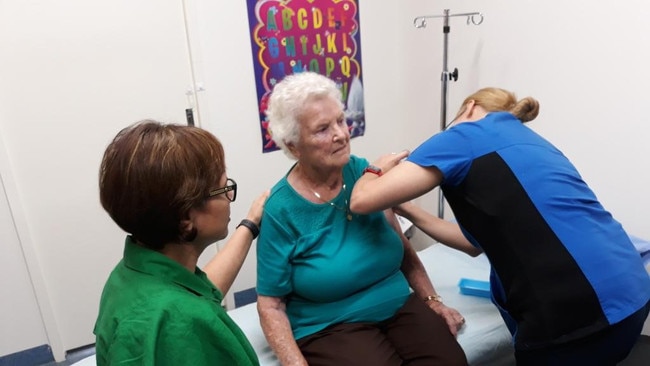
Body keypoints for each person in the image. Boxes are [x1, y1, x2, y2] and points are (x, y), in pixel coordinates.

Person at [350, 87, 650, 365]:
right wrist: (408, 209)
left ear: (469, 107)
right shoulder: (530, 140)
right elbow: (472, 244)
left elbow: (361, 201)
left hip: (575, 318)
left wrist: (373, 169)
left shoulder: (463, 135)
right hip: (633, 293)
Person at [255, 71, 468, 366]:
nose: (341, 134)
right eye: (322, 129)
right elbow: (270, 303)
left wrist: (432, 300)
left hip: (397, 303)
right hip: (330, 323)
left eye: (341, 120)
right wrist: (295, 363)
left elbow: (402, 247)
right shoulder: (281, 209)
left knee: (451, 362)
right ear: (293, 146)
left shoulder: (364, 173)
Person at [94, 120, 268, 366]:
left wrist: (250, 223)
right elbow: (188, 311)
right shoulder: (182, 324)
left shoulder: (129, 276)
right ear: (186, 218)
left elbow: (199, 292)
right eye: (222, 189)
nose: (229, 197)